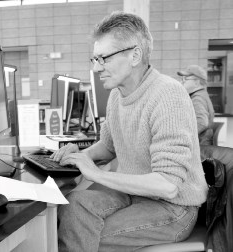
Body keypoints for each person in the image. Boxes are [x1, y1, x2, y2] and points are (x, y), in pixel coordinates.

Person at [51, 11, 208, 252]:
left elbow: (167, 185)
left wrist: (96, 173)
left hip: (173, 207)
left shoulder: (168, 95)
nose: (96, 68)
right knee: (72, 205)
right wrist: (82, 156)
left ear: (135, 55)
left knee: (80, 232)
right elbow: (109, 145)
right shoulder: (116, 95)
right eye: (94, 59)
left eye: (103, 58)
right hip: (132, 193)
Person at [177, 65, 215, 145]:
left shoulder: (198, 98)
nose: (182, 81)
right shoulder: (201, 94)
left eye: (185, 79)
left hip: (200, 147)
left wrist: (183, 137)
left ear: (197, 82)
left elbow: (202, 123)